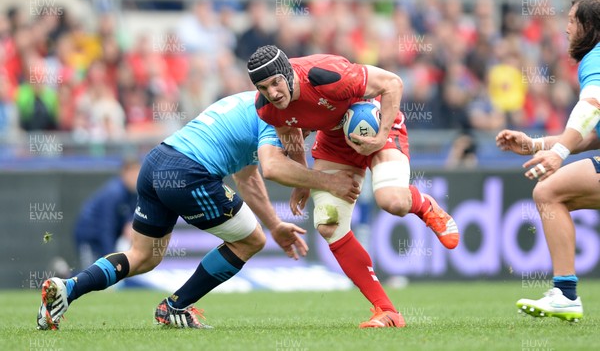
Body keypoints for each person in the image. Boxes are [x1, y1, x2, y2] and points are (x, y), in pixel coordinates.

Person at [37, 90, 360, 330]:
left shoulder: (245, 102)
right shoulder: (272, 118)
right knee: (251, 241)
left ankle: (68, 288)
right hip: (188, 173)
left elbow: (248, 178)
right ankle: (175, 307)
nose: (304, 135)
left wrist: (275, 223)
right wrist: (328, 184)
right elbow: (273, 169)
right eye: (306, 129)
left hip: (155, 162)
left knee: (144, 256)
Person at [247, 45, 460, 328]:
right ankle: (387, 311)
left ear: (287, 72)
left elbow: (392, 83)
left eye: (276, 82)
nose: (272, 92)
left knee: (392, 202)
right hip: (334, 143)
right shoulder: (265, 108)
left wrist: (381, 135)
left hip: (375, 124)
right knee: (328, 224)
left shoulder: (327, 75)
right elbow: (291, 132)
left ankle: (425, 205)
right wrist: (303, 177)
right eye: (264, 87)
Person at [495, 0, 600, 322]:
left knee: (548, 191)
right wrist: (536, 145)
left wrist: (559, 153)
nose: (566, 28)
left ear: (590, 25)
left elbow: (592, 105)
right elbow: (595, 135)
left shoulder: (596, 56)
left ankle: (566, 295)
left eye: (572, 20)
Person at [73, 158, 140, 270]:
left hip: (106, 237)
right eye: (133, 175)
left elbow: (128, 223)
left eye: (138, 175)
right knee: (92, 274)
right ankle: (65, 276)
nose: (136, 179)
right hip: (90, 237)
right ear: (125, 173)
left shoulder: (132, 194)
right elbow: (106, 226)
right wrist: (110, 258)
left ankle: (65, 274)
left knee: (99, 276)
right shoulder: (114, 193)